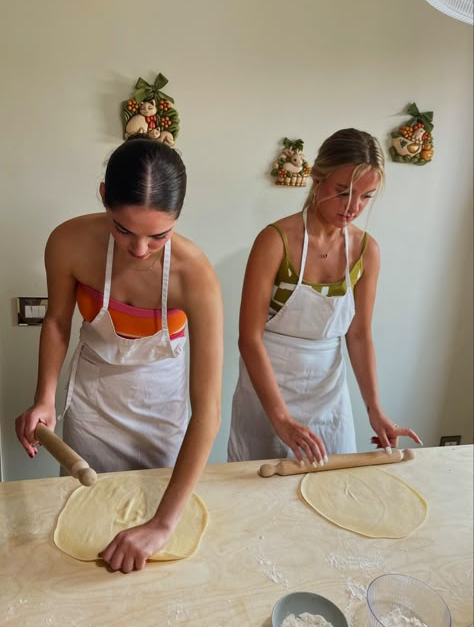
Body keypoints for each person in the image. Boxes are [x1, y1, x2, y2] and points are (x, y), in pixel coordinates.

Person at [15, 135, 223, 572]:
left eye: (159, 236)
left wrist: (163, 525)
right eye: (123, 229)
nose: (140, 250)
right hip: (93, 403)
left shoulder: (196, 276)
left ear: (178, 219)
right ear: (105, 197)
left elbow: (207, 413)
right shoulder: (69, 241)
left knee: (152, 542)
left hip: (160, 408)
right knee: (86, 527)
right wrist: (46, 397)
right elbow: (56, 322)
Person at [228, 128, 422, 465]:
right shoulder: (275, 241)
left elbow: (359, 335)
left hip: (328, 393)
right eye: (343, 192)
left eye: (366, 196)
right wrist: (281, 419)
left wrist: (375, 409)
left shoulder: (366, 251)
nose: (353, 207)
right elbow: (249, 338)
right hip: (269, 391)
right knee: (261, 492)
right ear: (317, 179)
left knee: (331, 490)